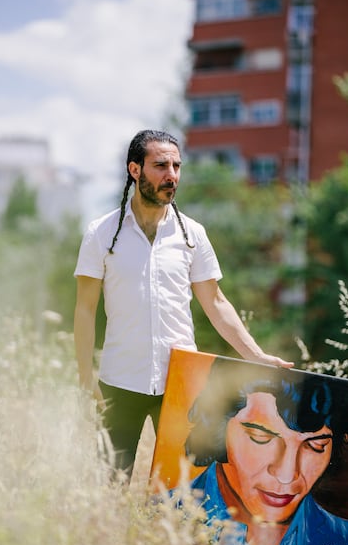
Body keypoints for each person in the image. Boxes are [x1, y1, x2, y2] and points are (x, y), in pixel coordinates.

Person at [73, 129, 293, 475]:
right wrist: (86, 377)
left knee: (182, 494)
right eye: (161, 165)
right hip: (118, 383)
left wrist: (256, 356)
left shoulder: (193, 234)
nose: (172, 175)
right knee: (109, 490)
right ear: (135, 170)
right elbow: (85, 310)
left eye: (176, 166)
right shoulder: (101, 233)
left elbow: (216, 302)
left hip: (182, 384)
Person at [184, 357, 348, 545]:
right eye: (261, 438)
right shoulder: (158, 514)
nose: (286, 476)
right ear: (218, 429)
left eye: (315, 446)